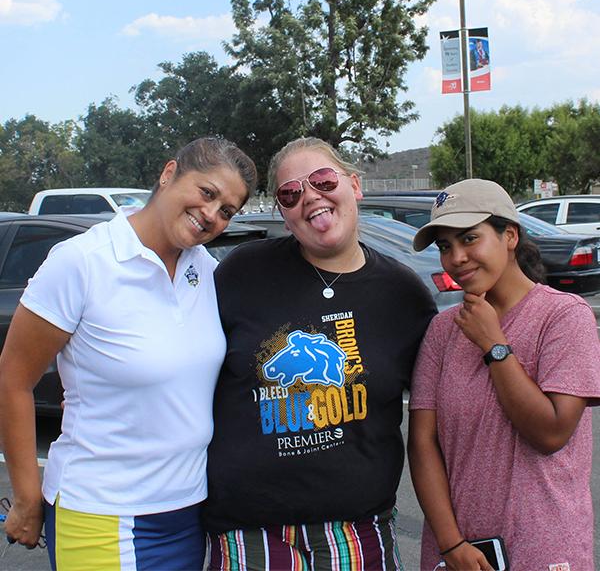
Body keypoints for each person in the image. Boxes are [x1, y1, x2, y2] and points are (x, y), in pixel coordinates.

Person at [0, 137, 257, 570]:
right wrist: (27, 497)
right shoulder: (83, 262)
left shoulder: (206, 270)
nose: (212, 215)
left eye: (227, 210)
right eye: (207, 193)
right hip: (102, 512)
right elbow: (13, 377)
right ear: (169, 173)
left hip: (189, 511)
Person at [202, 137, 437, 570]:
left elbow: (443, 408)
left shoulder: (403, 294)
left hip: (359, 530)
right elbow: (180, 360)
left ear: (354, 185)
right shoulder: (242, 273)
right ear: (283, 213)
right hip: (248, 533)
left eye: (323, 180)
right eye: (290, 193)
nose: (310, 196)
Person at [408, 178, 600, 571]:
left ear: (509, 235)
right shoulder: (443, 331)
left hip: (544, 550)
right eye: (445, 246)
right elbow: (423, 444)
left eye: (469, 239)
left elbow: (551, 432)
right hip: (457, 553)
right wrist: (451, 544)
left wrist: (494, 346)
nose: (457, 257)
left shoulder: (564, 317)